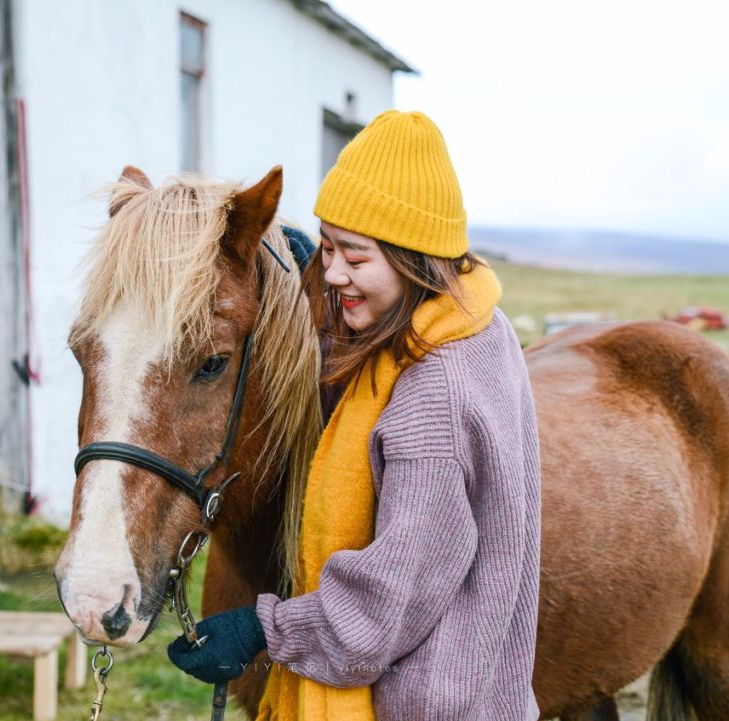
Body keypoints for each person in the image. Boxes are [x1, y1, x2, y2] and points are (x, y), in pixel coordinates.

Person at [168, 110, 542, 721]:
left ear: (412, 258)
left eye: (356, 256)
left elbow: (380, 612)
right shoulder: (472, 321)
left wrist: (262, 630)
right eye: (327, 244)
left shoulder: (433, 398)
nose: (334, 270)